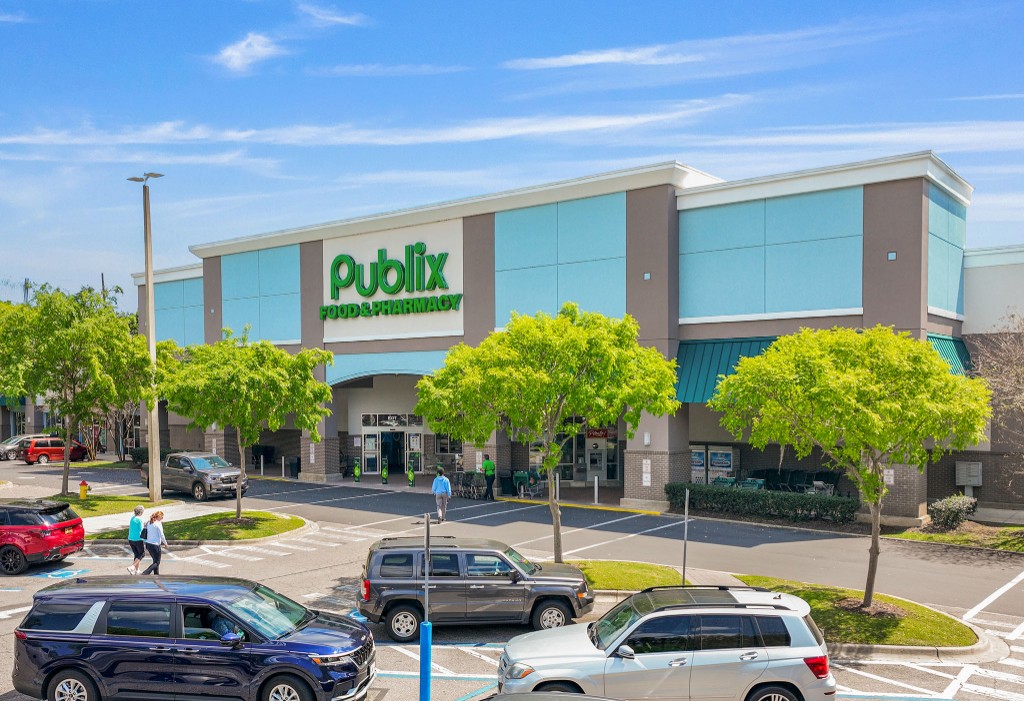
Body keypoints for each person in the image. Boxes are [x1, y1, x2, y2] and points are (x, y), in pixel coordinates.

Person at [141, 511, 168, 575]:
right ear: (159, 517)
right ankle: (146, 572)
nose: (162, 518)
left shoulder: (149, 522)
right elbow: (161, 535)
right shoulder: (158, 523)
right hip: (155, 545)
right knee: (157, 562)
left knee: (155, 561)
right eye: (162, 517)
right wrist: (165, 543)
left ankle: (156, 574)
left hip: (148, 544)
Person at [126, 505, 146, 575]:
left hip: (131, 539)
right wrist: (145, 540)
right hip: (138, 539)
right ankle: (132, 567)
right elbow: (141, 530)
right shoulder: (140, 519)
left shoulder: (132, 518)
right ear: (141, 512)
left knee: (136, 554)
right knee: (142, 554)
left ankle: (136, 570)